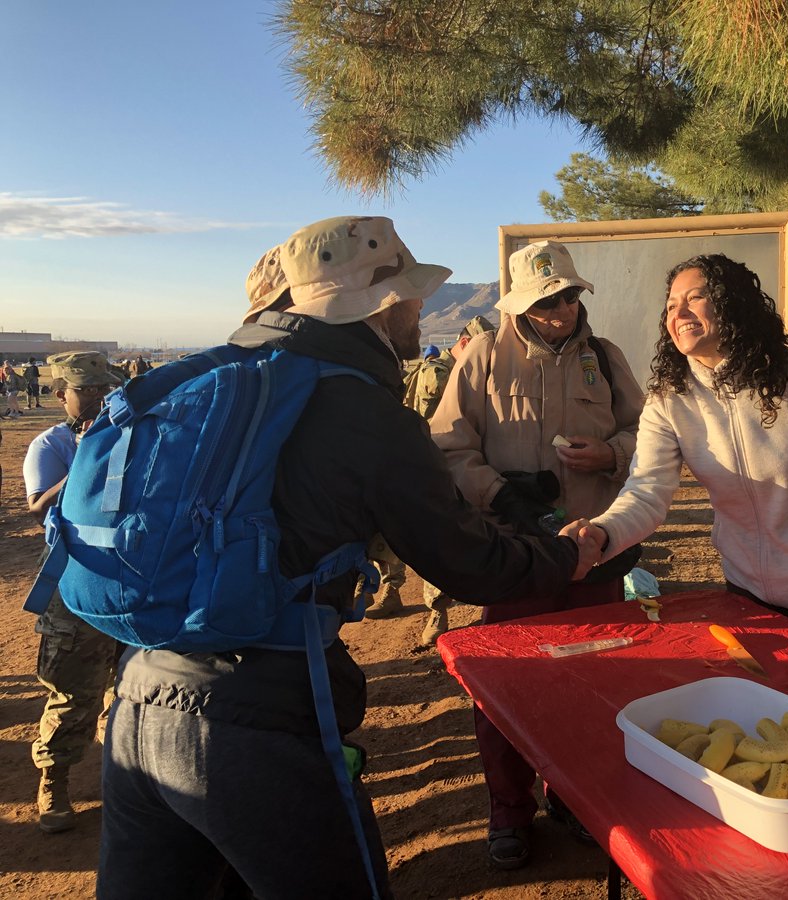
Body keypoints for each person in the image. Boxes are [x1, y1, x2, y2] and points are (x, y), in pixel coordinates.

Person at [97, 216, 599, 899]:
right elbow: (465, 561)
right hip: (258, 719)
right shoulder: (361, 409)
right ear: (379, 304)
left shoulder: (217, 376)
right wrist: (561, 557)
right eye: (410, 293)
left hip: (138, 700)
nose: (421, 306)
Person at [429, 239, 643, 869]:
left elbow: (651, 434)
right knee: (507, 688)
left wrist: (610, 455)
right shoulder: (482, 358)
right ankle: (509, 812)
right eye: (546, 300)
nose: (560, 310)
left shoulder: (605, 359)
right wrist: (498, 492)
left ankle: (576, 801)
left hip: (597, 550)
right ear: (522, 305)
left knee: (594, 681)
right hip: (515, 554)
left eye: (569, 296)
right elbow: (447, 445)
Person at [566, 253, 788, 649]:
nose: (679, 312)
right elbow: (647, 490)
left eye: (695, 298)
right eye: (671, 305)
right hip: (747, 590)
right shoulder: (670, 399)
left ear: (732, 303)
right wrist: (602, 531)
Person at [23, 352, 124, 833]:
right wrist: (83, 462)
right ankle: (54, 782)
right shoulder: (51, 444)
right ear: (61, 392)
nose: (98, 396)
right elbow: (38, 507)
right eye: (86, 389)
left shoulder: (127, 435)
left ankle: (129, 779)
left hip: (126, 582)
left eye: (103, 386)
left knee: (131, 689)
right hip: (74, 583)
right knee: (71, 692)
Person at [367, 315, 497, 631]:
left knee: (401, 535)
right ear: (465, 344)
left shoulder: (454, 374)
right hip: (427, 467)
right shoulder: (440, 377)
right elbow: (435, 432)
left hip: (414, 466)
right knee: (434, 536)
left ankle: (393, 591)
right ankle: (434, 609)